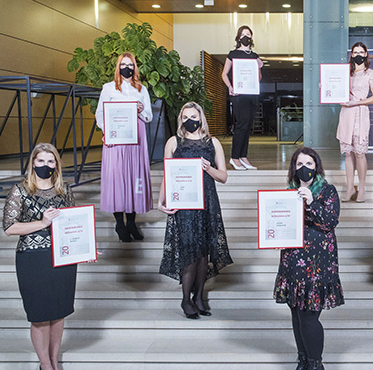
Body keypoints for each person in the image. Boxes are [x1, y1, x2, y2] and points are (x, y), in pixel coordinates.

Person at [2, 143, 77, 370]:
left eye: (51, 161)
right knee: (40, 316)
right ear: (33, 162)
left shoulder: (64, 190)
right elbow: (10, 227)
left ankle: (54, 361)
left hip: (63, 258)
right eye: (41, 161)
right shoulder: (20, 191)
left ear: (57, 164)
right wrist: (42, 223)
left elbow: (74, 222)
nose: (46, 166)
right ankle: (44, 364)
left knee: (59, 314)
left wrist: (84, 246)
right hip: (33, 258)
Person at [273, 147, 344, 370]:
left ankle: (316, 365)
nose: (305, 167)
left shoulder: (327, 191)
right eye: (300, 163)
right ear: (294, 168)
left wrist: (311, 201)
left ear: (317, 166)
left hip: (317, 262)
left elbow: (329, 221)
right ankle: (303, 361)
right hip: (293, 260)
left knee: (309, 315)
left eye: (309, 163)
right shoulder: (289, 193)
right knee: (295, 312)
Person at [158, 102, 233, 319]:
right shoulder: (174, 142)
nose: (189, 120)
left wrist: (208, 168)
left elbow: (224, 177)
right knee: (189, 252)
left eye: (193, 116)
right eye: (185, 117)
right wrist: (161, 200)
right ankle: (185, 299)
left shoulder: (213, 142)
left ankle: (199, 296)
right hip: (184, 204)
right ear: (180, 120)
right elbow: (167, 173)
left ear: (201, 118)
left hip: (207, 202)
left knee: (203, 254)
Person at [95, 52, 153, 242]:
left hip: (136, 139)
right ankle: (119, 223)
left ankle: (132, 223)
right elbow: (100, 115)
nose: (126, 68)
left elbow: (149, 116)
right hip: (116, 140)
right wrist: (108, 131)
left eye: (130, 64)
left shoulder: (141, 89)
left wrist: (141, 110)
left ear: (135, 67)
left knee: (134, 179)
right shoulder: (109, 88)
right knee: (118, 179)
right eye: (123, 64)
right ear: (118, 67)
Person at [336, 42, 373, 203]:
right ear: (352, 54)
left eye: (361, 52)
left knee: (360, 153)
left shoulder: (371, 73)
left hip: (361, 112)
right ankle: (349, 188)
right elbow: (336, 91)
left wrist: (358, 102)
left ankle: (361, 188)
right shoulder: (345, 72)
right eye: (355, 52)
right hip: (346, 113)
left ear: (366, 54)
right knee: (348, 153)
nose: (358, 54)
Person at [221, 25, 264, 171]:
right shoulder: (232, 54)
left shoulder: (254, 56)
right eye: (243, 34)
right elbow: (224, 74)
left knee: (248, 127)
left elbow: (258, 78)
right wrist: (230, 87)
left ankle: (243, 156)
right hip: (239, 95)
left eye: (248, 34)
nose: (246, 37)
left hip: (251, 94)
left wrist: (259, 66)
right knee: (241, 125)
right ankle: (234, 157)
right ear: (239, 37)